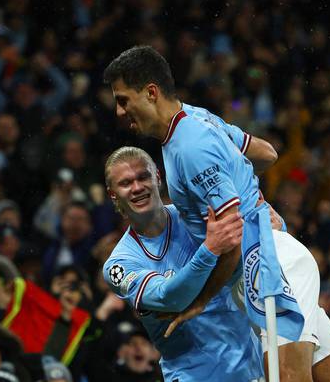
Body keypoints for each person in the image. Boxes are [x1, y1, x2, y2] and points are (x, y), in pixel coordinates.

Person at [103, 45, 330, 382]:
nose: (119, 111)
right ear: (113, 195)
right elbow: (266, 153)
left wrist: (202, 298)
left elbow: (230, 238)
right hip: (262, 264)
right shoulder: (199, 119)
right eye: (126, 183)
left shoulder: (190, 147)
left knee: (289, 379)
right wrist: (250, 200)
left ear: (151, 92)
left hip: (269, 265)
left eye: (123, 99)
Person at [102, 146, 263, 381]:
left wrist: (266, 224)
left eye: (143, 177)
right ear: (113, 194)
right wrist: (210, 250)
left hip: (252, 365)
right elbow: (169, 298)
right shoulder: (119, 265)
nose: (137, 187)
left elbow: (243, 259)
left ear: (157, 176)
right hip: (193, 375)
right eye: (126, 183)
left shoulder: (196, 216)